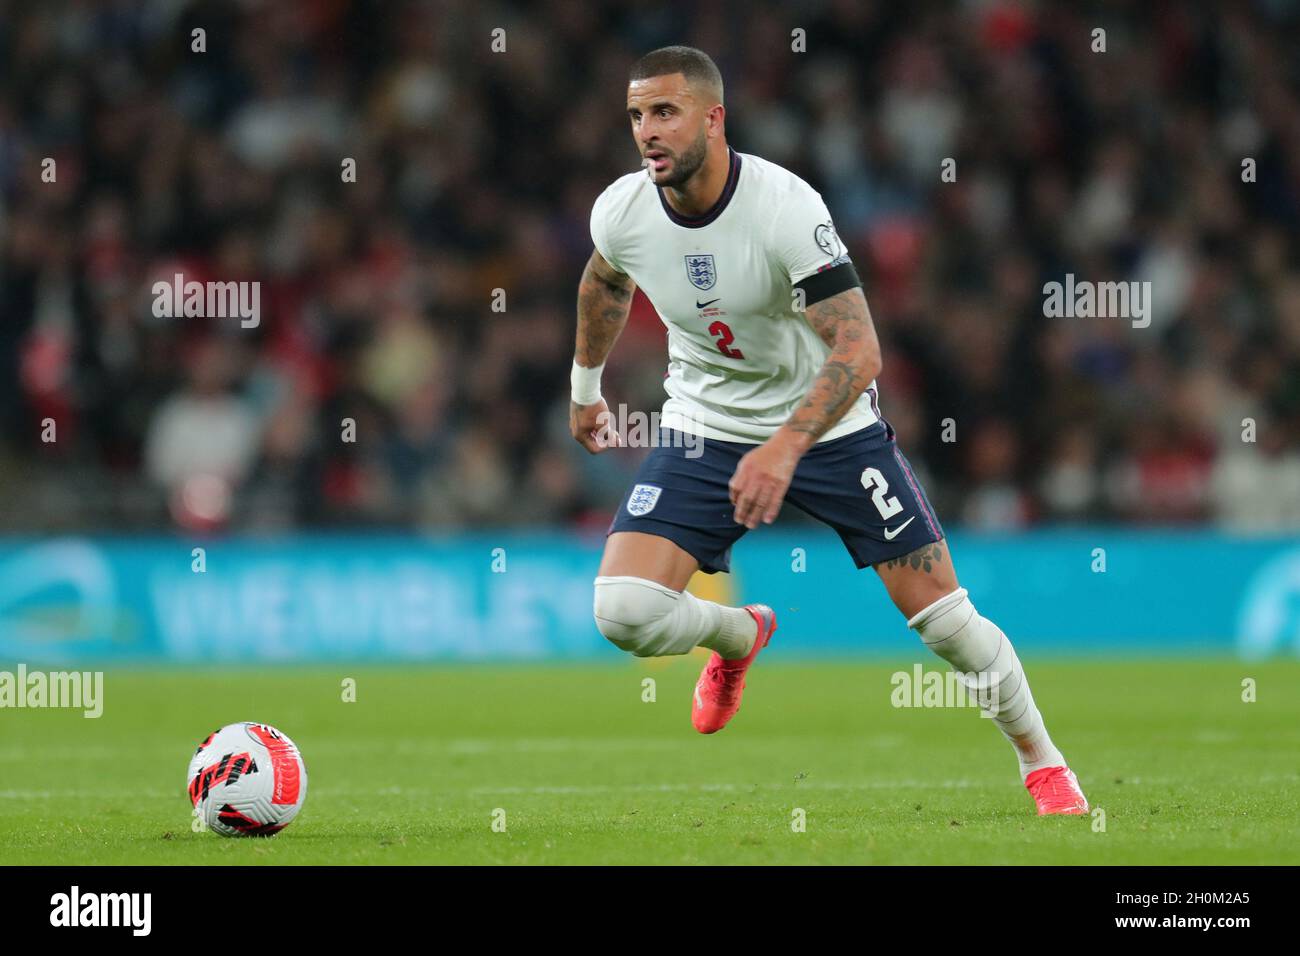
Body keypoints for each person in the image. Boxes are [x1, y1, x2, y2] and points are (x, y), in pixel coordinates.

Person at [570, 46, 1086, 815]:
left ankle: (1043, 763)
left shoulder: (785, 207)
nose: (648, 131)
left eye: (666, 112)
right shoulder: (622, 209)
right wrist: (585, 388)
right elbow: (604, 282)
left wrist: (785, 446)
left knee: (945, 621)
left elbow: (860, 348)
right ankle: (740, 636)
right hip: (704, 427)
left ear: (714, 118)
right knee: (623, 613)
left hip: (832, 429)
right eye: (637, 115)